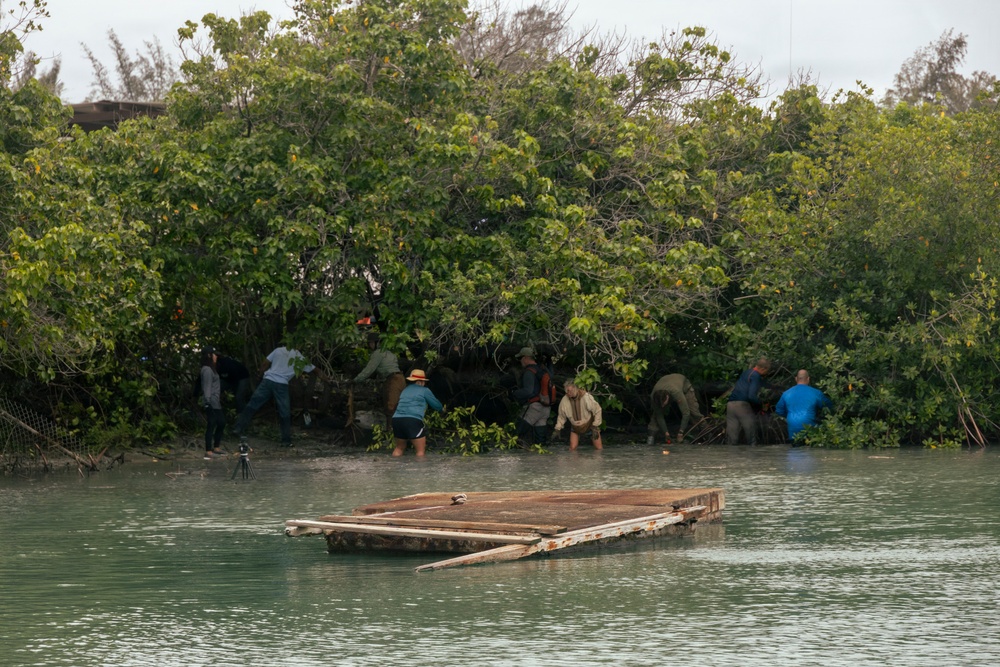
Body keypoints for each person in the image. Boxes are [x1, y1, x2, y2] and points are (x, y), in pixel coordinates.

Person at [231, 343, 316, 447]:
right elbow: (315, 370)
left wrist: (260, 374)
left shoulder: (278, 350)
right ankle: (286, 440)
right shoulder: (299, 357)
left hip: (268, 381)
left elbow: (265, 364)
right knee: (284, 413)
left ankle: (238, 428)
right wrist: (328, 379)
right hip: (281, 384)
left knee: (252, 405)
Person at [353, 332, 406, 423]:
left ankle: (390, 432)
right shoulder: (390, 353)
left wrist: (355, 380)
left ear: (375, 343)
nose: (370, 345)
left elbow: (368, 370)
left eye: (371, 343)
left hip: (392, 381)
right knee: (400, 407)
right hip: (401, 379)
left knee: (390, 409)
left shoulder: (378, 353)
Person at [390, 369, 443, 457]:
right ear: (420, 382)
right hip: (412, 420)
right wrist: (442, 410)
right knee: (420, 451)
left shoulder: (405, 390)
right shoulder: (424, 390)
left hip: (396, 420)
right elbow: (437, 406)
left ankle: (394, 468)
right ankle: (421, 470)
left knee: (399, 448)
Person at [775, 369, 833, 443]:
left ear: (796, 379)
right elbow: (829, 406)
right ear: (808, 379)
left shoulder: (786, 393)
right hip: (810, 432)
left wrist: (790, 415)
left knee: (795, 451)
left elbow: (779, 411)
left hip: (793, 432)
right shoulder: (816, 393)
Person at [647, 373, 704, 445]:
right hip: (668, 383)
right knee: (655, 417)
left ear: (667, 397)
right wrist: (666, 433)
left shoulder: (676, 392)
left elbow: (686, 413)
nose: (662, 407)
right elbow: (659, 416)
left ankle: (707, 433)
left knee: (694, 413)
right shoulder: (653, 397)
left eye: (664, 404)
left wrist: (681, 432)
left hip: (684, 386)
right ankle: (650, 440)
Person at [726, 357, 771, 445]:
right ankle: (752, 458)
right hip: (742, 406)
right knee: (752, 439)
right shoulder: (756, 375)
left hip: (730, 405)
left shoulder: (746, 372)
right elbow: (751, 396)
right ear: (763, 369)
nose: (767, 373)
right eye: (767, 371)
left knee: (732, 441)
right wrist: (761, 405)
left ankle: (730, 458)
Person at [511, 347, 552, 446]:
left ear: (525, 358)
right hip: (546, 408)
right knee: (540, 443)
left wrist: (514, 393)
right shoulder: (542, 369)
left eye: (520, 358)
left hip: (534, 408)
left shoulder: (529, 372)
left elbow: (528, 391)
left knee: (515, 436)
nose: (520, 361)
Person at [552, 380, 603, 450]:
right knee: (572, 449)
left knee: (599, 449)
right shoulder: (565, 400)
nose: (567, 393)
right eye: (566, 391)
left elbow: (597, 410)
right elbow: (561, 416)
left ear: (575, 388)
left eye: (569, 390)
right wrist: (557, 429)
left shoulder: (586, 397)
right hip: (575, 427)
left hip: (590, 425)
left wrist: (595, 426)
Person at [199, 347, 226, 459]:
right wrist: (207, 401)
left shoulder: (211, 369)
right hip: (210, 401)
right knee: (212, 423)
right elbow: (207, 386)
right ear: (209, 356)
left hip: (215, 401)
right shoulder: (207, 370)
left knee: (221, 422)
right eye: (214, 355)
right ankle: (208, 450)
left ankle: (216, 447)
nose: (216, 357)